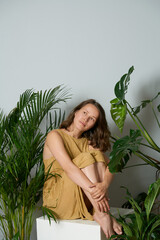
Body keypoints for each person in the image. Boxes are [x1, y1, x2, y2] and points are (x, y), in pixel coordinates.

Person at [43, 99, 122, 239]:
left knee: (96, 154)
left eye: (92, 118)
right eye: (84, 112)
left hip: (85, 198)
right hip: (58, 202)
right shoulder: (54, 136)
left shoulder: (88, 143)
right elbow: (68, 168)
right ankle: (102, 213)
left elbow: (113, 165)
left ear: (94, 125)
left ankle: (100, 212)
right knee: (85, 158)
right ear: (76, 112)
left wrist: (104, 185)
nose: (86, 119)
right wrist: (96, 191)